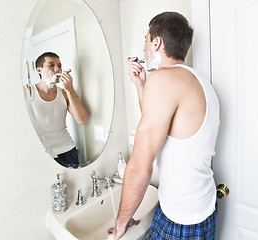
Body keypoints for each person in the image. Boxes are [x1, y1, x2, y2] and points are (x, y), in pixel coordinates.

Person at [108, 12, 220, 240]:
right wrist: (141, 87)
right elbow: (163, 127)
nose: (144, 47)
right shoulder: (199, 82)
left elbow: (140, 165)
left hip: (181, 219)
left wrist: (121, 223)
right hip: (200, 208)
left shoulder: (163, 79)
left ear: (156, 42)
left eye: (146, 39)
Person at [26, 52, 87, 168]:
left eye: (59, 66)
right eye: (51, 65)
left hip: (68, 150)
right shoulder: (28, 91)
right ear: (39, 70)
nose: (57, 69)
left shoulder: (64, 93)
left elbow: (82, 119)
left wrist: (70, 90)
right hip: (44, 154)